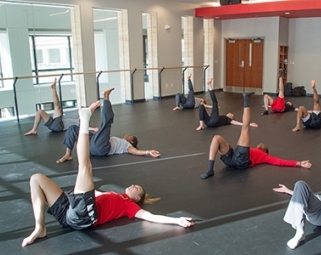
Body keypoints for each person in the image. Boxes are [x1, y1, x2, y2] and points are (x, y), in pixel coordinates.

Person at [21, 99, 194, 247]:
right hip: (70, 211)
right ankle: (40, 227)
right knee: (36, 179)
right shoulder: (114, 195)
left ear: (136, 198)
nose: (134, 185)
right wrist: (83, 191)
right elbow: (95, 193)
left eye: (137, 189)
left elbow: (151, 217)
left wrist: (176, 220)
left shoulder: (129, 206)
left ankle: (85, 119)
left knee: (85, 167)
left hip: (84, 217)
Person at [200, 92, 311, 179]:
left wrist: (299, 163)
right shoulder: (253, 149)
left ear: (264, 150)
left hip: (241, 160)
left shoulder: (264, 156)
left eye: (263, 145)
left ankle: (246, 100)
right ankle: (210, 169)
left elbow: (280, 162)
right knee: (216, 138)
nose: (261, 143)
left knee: (245, 128)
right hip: (231, 157)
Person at [57, 88, 160, 163]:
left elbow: (135, 151)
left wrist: (148, 152)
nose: (127, 134)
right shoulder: (119, 140)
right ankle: (68, 154)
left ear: (131, 141)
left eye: (130, 135)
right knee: (73, 129)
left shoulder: (127, 146)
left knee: (107, 123)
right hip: (94, 145)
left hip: (100, 148)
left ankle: (106, 98)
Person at [24, 78, 98, 136]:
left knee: (57, 106)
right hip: (54, 125)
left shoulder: (79, 124)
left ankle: (54, 89)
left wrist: (93, 129)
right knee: (39, 112)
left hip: (59, 126)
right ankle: (34, 129)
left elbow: (85, 127)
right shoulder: (76, 120)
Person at [273, 181, 321, 249]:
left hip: (320, 216)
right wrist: (289, 191)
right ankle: (300, 229)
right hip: (317, 208)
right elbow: (314, 197)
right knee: (300, 184)